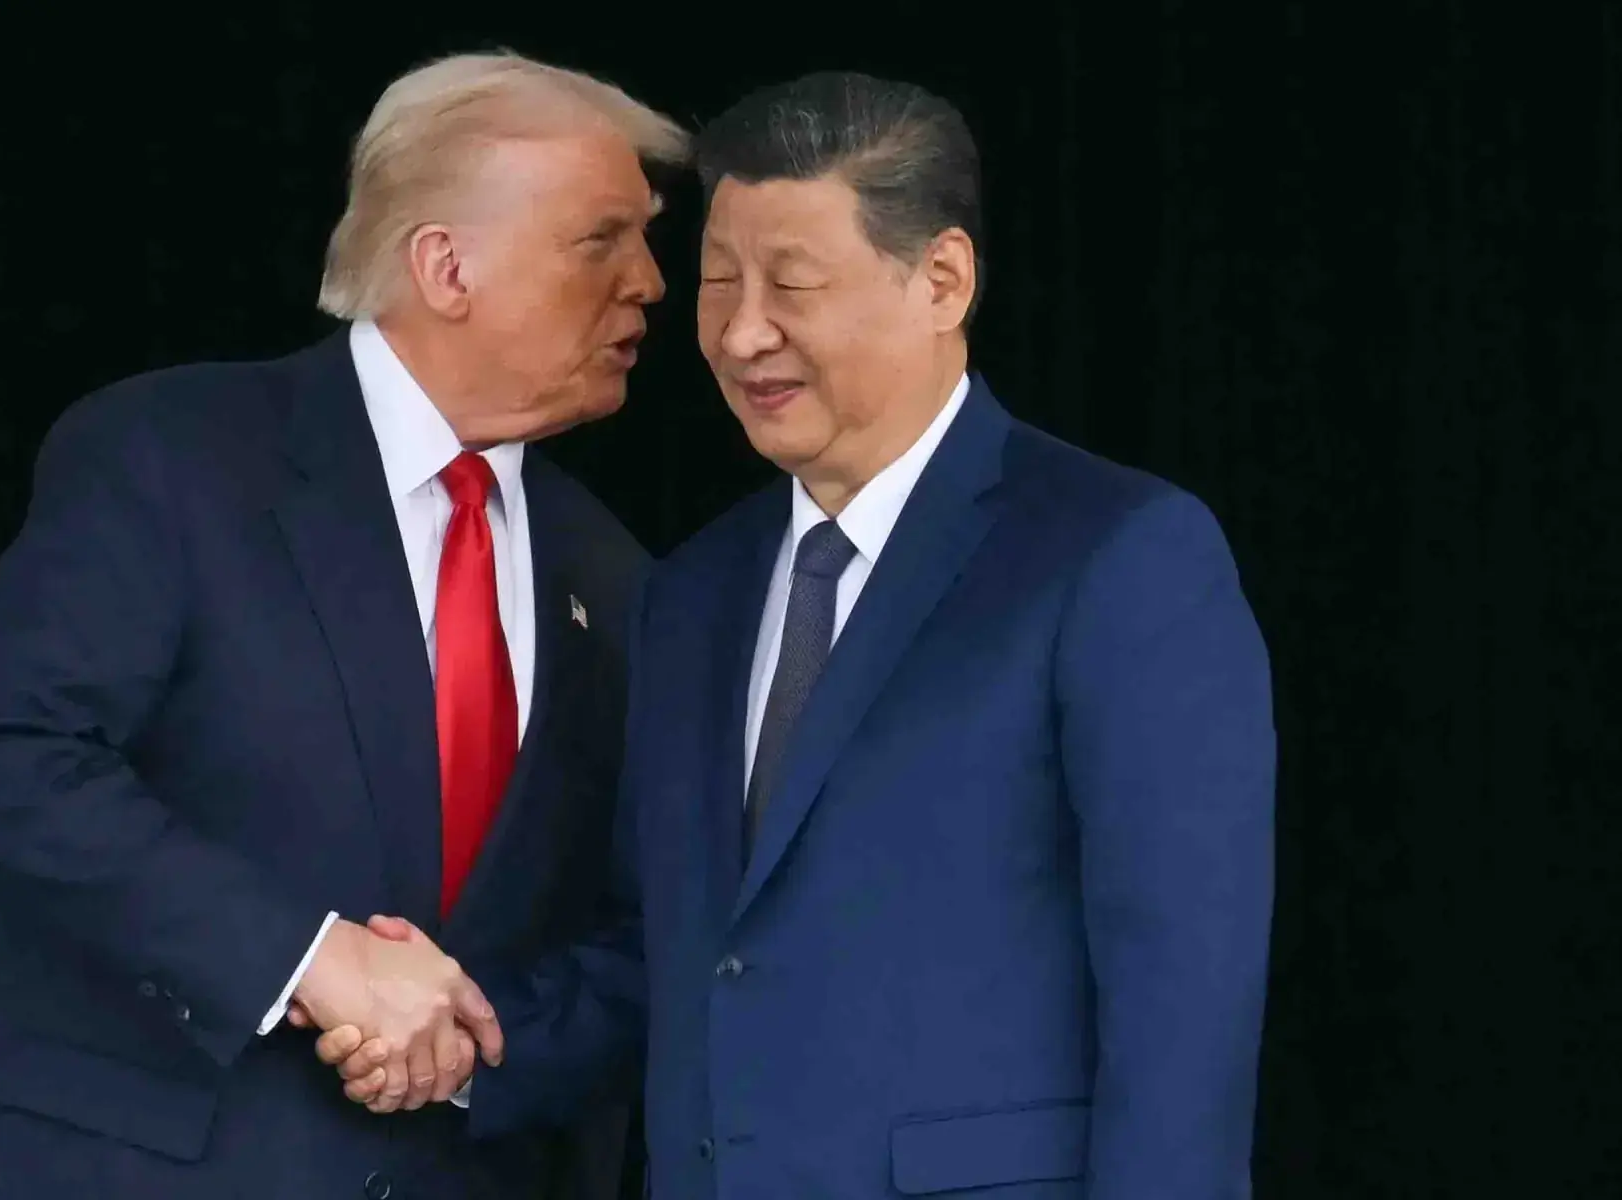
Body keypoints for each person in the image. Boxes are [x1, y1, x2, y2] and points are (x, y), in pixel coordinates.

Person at [316, 70, 1277, 1199]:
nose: (739, 331)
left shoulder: (1114, 557)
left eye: (792, 283)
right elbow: (659, 955)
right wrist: (452, 1047)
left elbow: (1181, 1009)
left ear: (941, 281)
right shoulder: (685, 594)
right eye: (718, 282)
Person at [0, 50, 686, 1200]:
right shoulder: (174, 456)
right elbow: (0, 768)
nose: (651, 280)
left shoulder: (617, 576)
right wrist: (311, 960)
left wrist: (461, 1056)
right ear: (445, 265)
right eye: (602, 238)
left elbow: (644, 929)